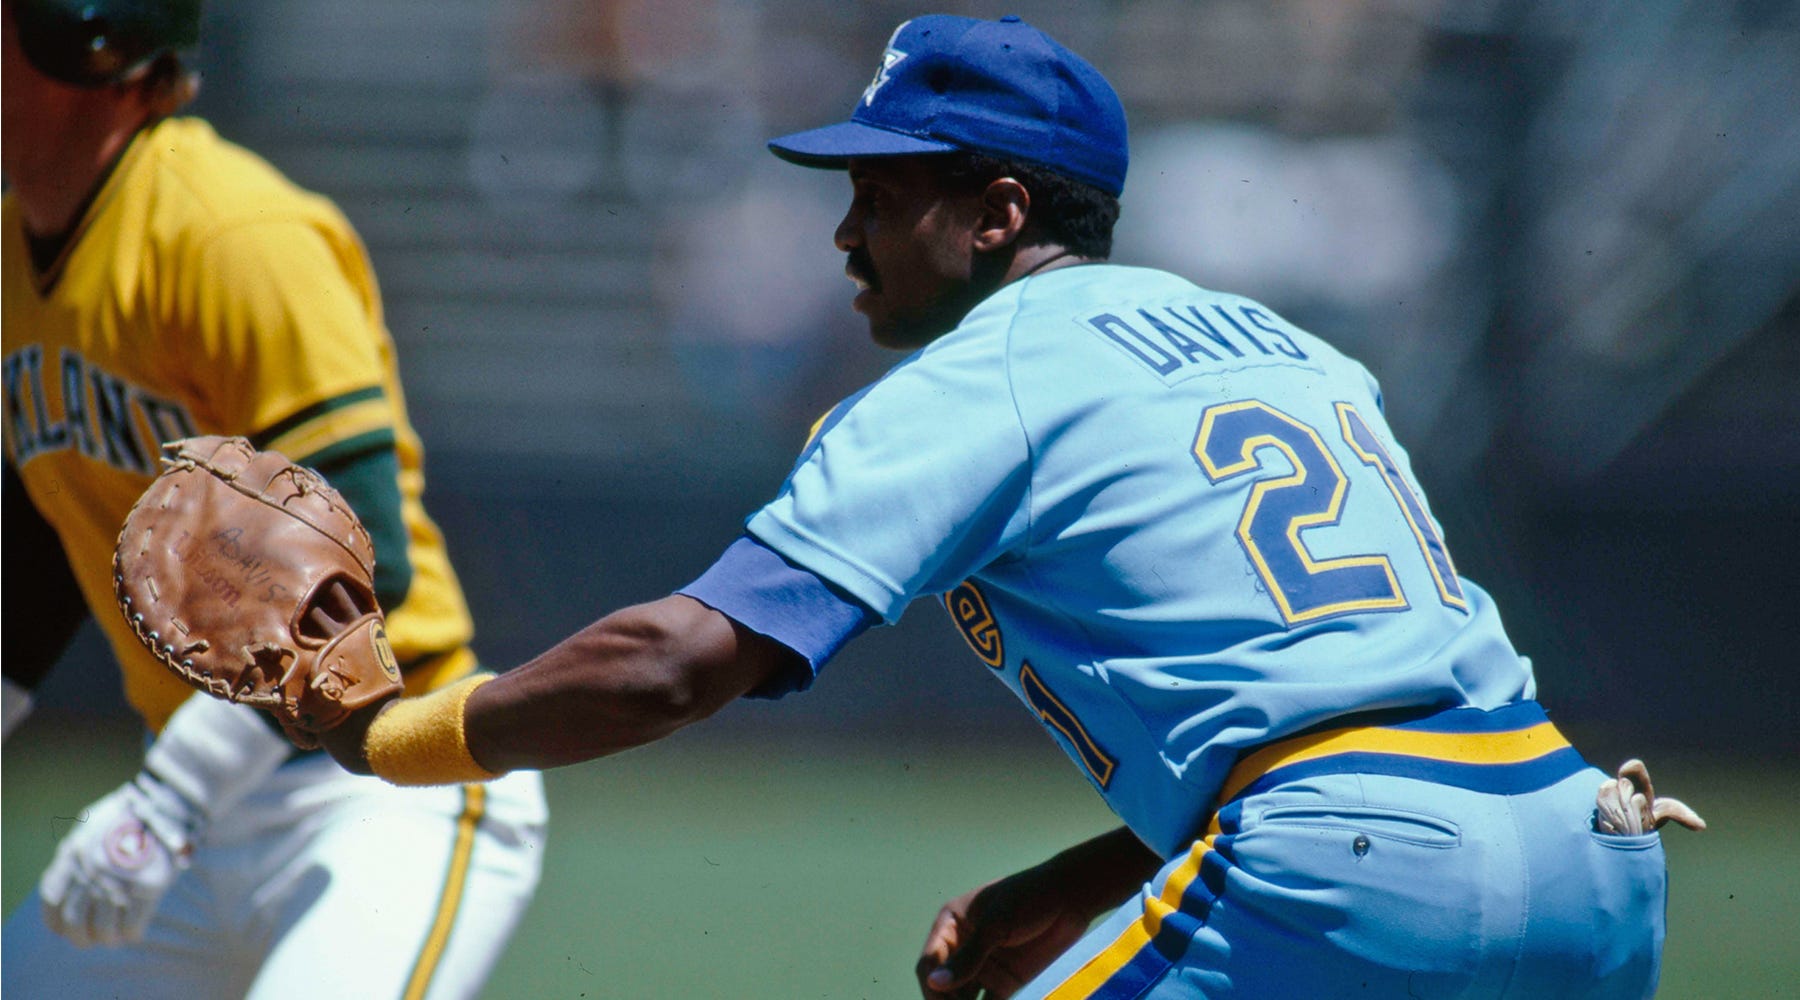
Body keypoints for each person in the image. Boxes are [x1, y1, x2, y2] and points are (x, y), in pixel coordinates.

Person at [246, 14, 1698, 999]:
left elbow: (672, 664)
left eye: (883, 188)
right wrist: (1080, 883)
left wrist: (394, 735)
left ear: (999, 213)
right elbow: (1362, 709)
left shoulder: (991, 369)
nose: (845, 226)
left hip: (1350, 876)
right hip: (1584, 854)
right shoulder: (1293, 349)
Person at [1, 2, 547, 997]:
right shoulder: (12, 254)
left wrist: (170, 797)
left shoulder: (233, 232)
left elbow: (361, 552)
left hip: (386, 775)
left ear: (90, 39)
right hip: (204, 804)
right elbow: (33, 547)